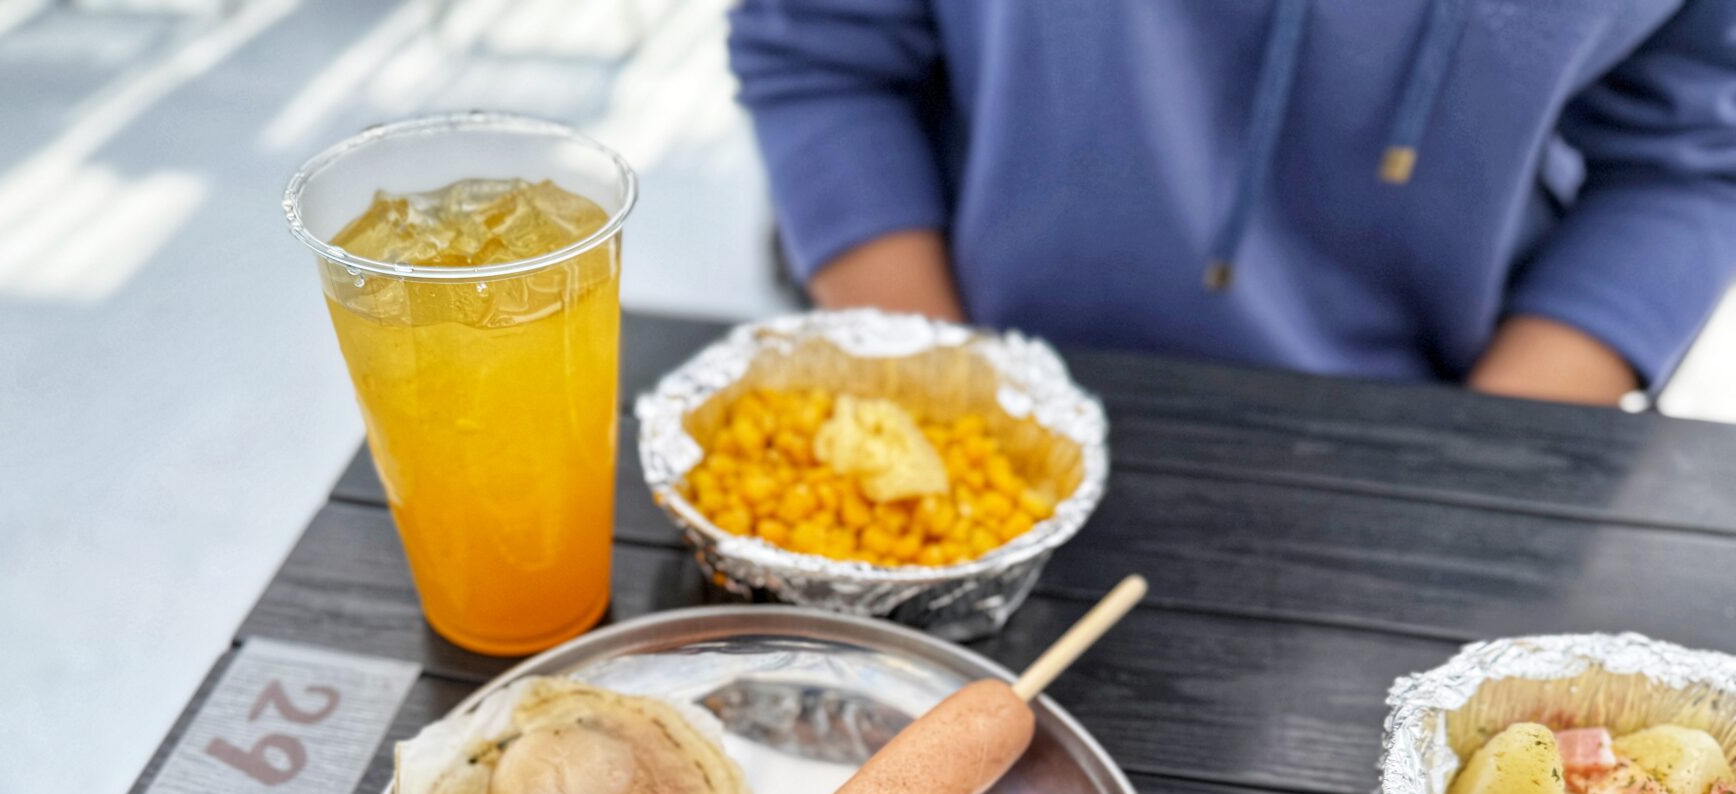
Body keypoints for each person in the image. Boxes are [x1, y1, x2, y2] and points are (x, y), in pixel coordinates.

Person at [728, 1, 1736, 406]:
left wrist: (1476, 466)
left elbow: (1690, 159)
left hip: (1439, 422)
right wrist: (940, 409)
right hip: (966, 378)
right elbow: (822, 52)